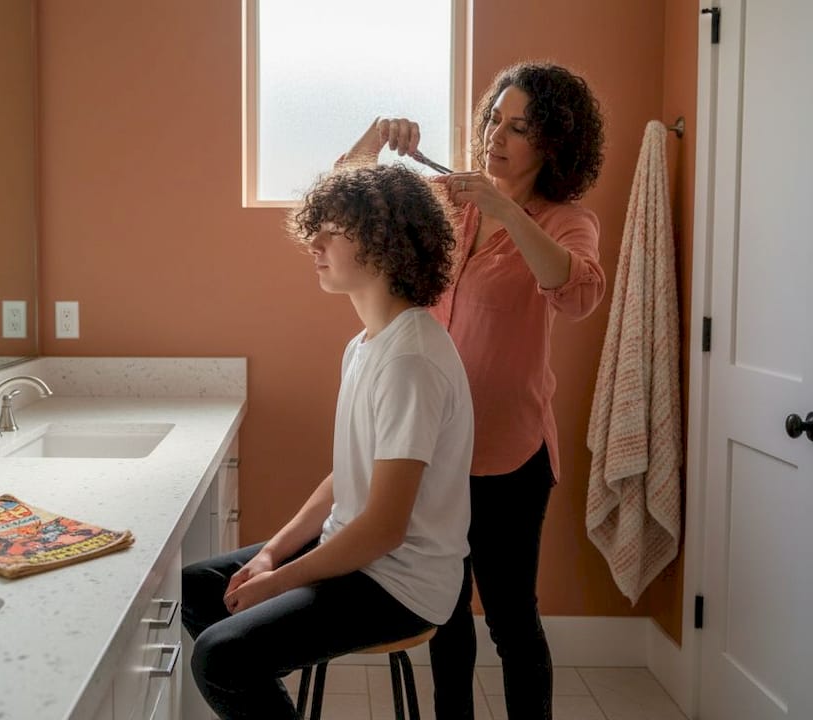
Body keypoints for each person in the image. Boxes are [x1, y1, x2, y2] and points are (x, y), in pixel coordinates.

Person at [342, 61, 607, 719]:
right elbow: (345, 212)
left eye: (519, 127)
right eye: (495, 118)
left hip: (509, 456)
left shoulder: (567, 221)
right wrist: (374, 140)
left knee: (512, 620)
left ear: (552, 145)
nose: (497, 135)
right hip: (430, 451)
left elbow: (577, 293)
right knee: (445, 610)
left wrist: (508, 213)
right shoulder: (445, 200)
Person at [181, 164, 475, 719]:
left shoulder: (410, 360)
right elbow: (347, 479)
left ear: (385, 244)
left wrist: (276, 584)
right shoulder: (367, 345)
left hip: (400, 584)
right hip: (361, 554)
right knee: (196, 588)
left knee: (219, 660)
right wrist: (271, 552)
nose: (314, 242)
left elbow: (385, 529)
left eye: (333, 230)